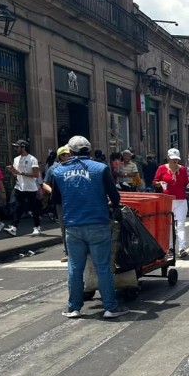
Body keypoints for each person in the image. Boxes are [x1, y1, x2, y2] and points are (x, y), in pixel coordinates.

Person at [51, 136, 129, 319]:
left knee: (75, 267)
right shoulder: (100, 169)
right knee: (102, 267)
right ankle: (110, 307)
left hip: (72, 226)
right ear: (89, 150)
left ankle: (74, 308)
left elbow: (55, 200)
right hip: (98, 224)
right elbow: (115, 197)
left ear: (70, 152)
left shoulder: (58, 172)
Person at [153, 148, 189, 258]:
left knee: (180, 225)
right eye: (173, 159)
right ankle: (169, 248)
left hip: (180, 200)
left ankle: (182, 248)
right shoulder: (161, 168)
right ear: (168, 158)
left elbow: (186, 183)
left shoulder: (182, 169)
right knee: (168, 225)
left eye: (177, 159)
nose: (175, 161)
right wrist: (159, 183)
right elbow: (154, 182)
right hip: (167, 200)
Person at [3, 139, 43, 237]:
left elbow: (36, 174)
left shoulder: (32, 159)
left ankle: (37, 227)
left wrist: (21, 173)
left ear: (23, 147)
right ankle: (14, 227)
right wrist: (12, 170)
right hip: (19, 187)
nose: (16, 149)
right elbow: (16, 174)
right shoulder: (16, 159)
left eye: (17, 147)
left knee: (33, 208)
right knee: (18, 207)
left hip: (30, 188)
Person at [42, 145, 71, 260]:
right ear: (62, 156)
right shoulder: (53, 169)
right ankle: (68, 252)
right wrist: (53, 192)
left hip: (74, 200)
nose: (70, 157)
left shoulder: (74, 167)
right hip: (61, 202)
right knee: (64, 227)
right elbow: (45, 183)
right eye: (68, 155)